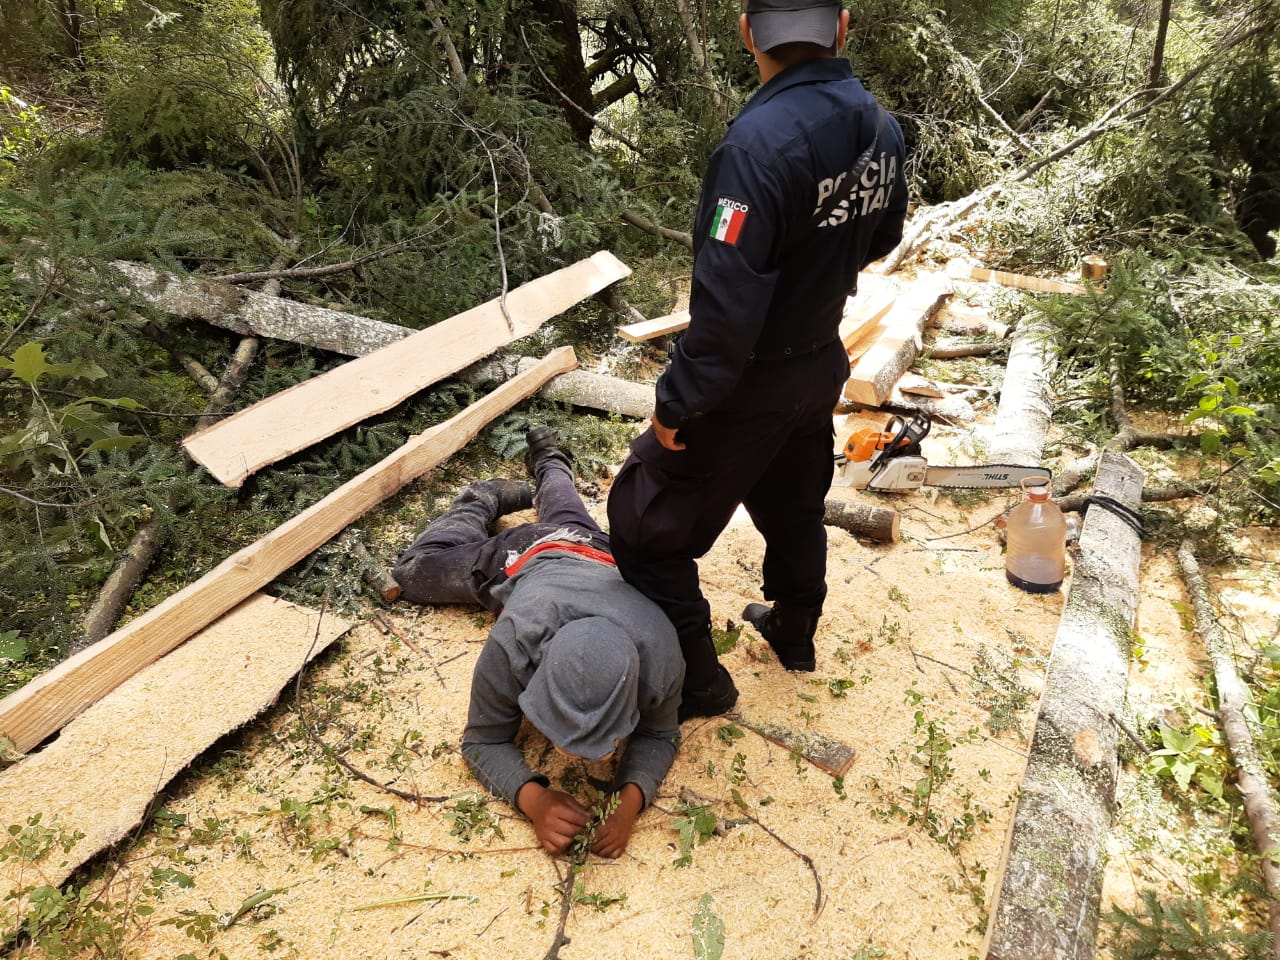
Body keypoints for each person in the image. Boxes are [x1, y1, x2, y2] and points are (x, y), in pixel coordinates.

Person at [606, 0, 909, 720]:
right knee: (794, 501)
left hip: (748, 380)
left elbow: (725, 309)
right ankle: (795, 632)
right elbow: (882, 235)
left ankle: (700, 686)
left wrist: (677, 407)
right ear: (841, 27)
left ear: (748, 33)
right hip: (818, 363)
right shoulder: (882, 127)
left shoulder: (755, 148)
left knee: (644, 530)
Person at [393, 428, 683, 858]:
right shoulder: (516, 640)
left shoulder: (661, 657)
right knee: (413, 572)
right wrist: (534, 799)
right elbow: (482, 740)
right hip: (524, 555)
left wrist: (630, 803)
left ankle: (551, 460)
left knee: (566, 518)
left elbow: (661, 734)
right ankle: (482, 499)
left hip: (597, 552)